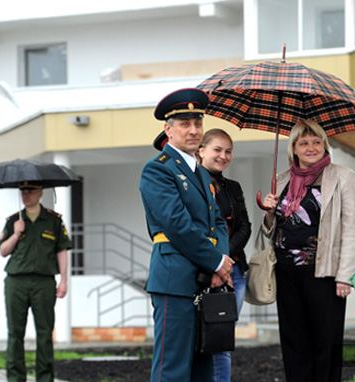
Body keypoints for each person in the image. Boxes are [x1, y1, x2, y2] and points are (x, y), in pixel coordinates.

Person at [139, 88, 235, 382]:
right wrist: (216, 262)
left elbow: (217, 222)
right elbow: (177, 224)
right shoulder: (157, 171)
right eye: (185, 124)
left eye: (197, 123)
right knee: (173, 368)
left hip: (205, 281)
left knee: (202, 367)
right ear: (168, 130)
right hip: (175, 279)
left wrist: (221, 261)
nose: (193, 130)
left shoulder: (202, 173)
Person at [260, 119, 355, 382]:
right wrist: (270, 213)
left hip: (325, 274)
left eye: (317, 142)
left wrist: (345, 275)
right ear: (293, 148)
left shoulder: (342, 177)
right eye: (304, 142)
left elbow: (353, 228)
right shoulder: (281, 180)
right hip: (286, 273)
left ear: (325, 145)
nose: (311, 147)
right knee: (294, 342)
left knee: (325, 343)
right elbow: (271, 231)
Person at [0, 182, 72, 382]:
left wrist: (64, 280)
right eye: (23, 191)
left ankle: (45, 378)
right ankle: (15, 378)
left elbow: (62, 250)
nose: (26, 194)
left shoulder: (54, 221)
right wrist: (15, 234)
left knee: (45, 333)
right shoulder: (14, 220)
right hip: (16, 282)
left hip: (44, 282)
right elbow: (3, 250)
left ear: (40, 192)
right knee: (15, 333)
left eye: (30, 191)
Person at [198, 129, 251, 382]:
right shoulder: (193, 184)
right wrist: (215, 263)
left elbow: (245, 227)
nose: (223, 156)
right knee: (196, 340)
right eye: (217, 150)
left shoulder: (233, 187)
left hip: (234, 273)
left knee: (221, 339)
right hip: (200, 273)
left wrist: (225, 262)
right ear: (201, 150)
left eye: (228, 151)